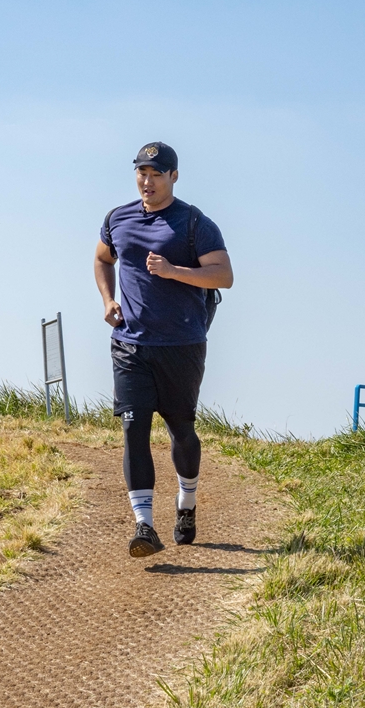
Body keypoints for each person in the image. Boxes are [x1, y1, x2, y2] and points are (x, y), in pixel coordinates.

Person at [93, 141, 234, 557]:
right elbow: (103, 259)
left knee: (182, 434)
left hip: (181, 346)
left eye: (156, 174)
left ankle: (186, 501)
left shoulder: (194, 223)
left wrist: (174, 271)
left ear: (173, 176)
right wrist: (107, 300)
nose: (147, 181)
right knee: (133, 430)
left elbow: (223, 276)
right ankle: (144, 526)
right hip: (130, 345)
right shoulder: (117, 219)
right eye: (141, 172)